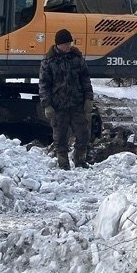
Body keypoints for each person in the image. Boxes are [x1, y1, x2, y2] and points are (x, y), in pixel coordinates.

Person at [39, 28, 94, 170]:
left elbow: (85, 79)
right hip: (58, 106)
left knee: (83, 134)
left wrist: (89, 98)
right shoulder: (49, 61)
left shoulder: (76, 58)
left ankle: (80, 160)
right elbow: (44, 84)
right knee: (60, 137)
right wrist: (47, 105)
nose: (68, 46)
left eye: (70, 43)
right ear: (58, 44)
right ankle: (63, 163)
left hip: (77, 104)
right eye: (66, 44)